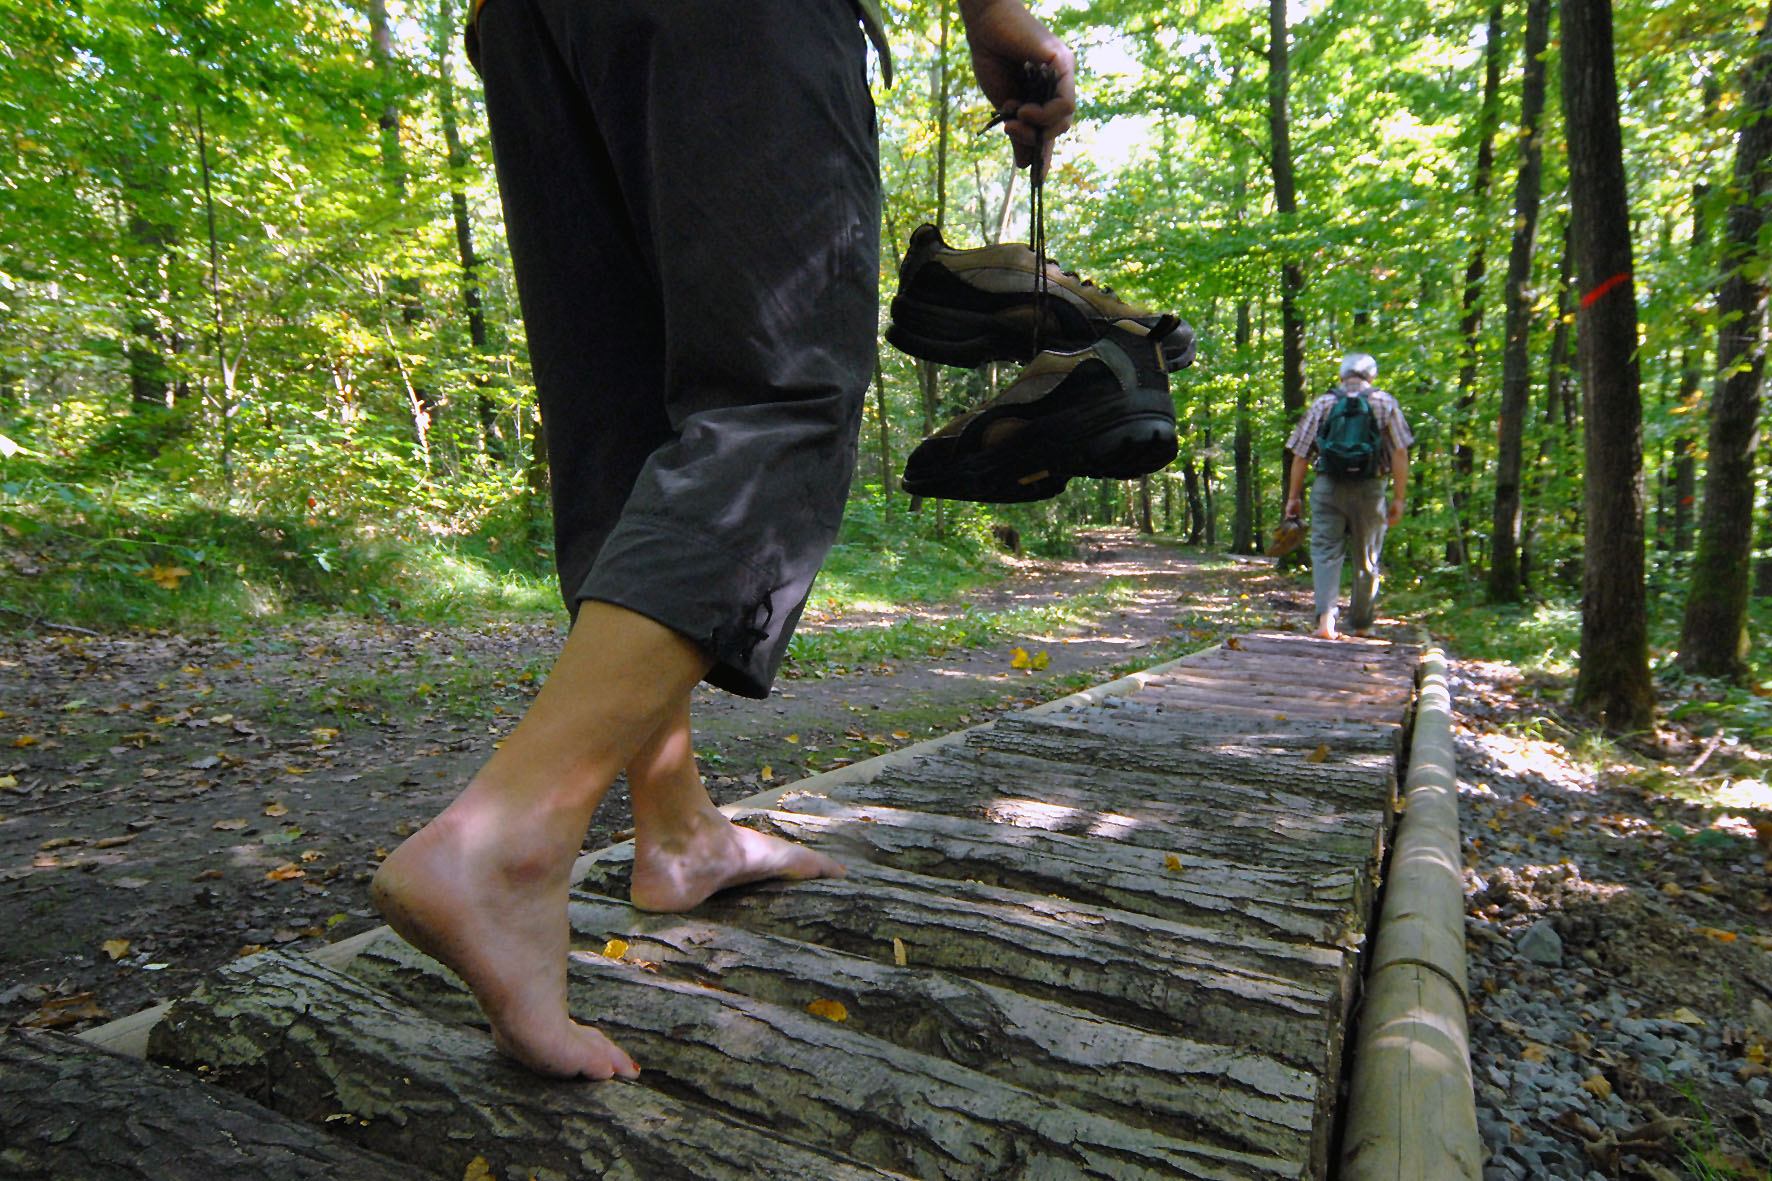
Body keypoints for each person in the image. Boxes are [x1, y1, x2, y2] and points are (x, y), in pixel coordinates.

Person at [371, 0, 1076, 1080]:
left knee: (622, 437)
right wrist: (993, 13)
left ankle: (678, 828)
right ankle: (501, 845)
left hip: (522, 24)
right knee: (779, 396)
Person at [1282, 353, 1413, 640]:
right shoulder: (1385, 403)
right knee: (1367, 554)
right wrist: (1398, 498)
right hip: (1370, 489)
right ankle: (1362, 624)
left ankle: (1325, 622)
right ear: (1372, 377)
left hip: (1328, 487)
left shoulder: (1323, 403)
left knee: (1325, 552)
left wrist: (1294, 497)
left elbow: (1301, 454)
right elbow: (1400, 452)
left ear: (1342, 376)